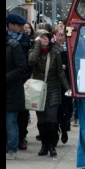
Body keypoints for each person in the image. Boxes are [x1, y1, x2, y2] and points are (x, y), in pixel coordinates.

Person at [28, 28, 71, 158]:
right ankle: (44, 145)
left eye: (46, 37)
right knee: (41, 120)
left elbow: (60, 73)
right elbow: (32, 62)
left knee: (52, 118)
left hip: (53, 88)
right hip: (38, 90)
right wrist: (36, 45)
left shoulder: (55, 53)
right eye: (41, 37)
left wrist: (67, 88)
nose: (45, 39)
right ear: (36, 39)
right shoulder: (33, 52)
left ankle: (52, 145)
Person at [6, 13, 32, 149]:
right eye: (20, 25)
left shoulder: (23, 40)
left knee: (18, 117)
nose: (23, 28)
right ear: (10, 26)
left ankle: (19, 140)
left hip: (19, 82)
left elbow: (25, 64)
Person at [52, 26, 73, 145]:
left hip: (66, 82)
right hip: (55, 82)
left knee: (65, 109)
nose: (61, 37)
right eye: (58, 35)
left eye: (62, 35)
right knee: (55, 110)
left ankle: (64, 129)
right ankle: (55, 133)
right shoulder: (52, 49)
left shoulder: (68, 49)